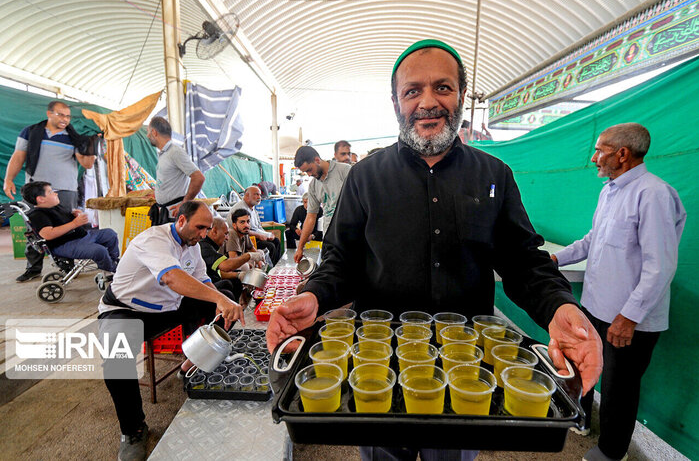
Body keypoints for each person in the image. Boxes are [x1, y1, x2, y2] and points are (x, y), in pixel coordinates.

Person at [267, 39, 604, 461]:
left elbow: (523, 261)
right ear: (396, 102)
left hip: (466, 372)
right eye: (413, 91)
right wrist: (313, 295)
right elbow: (341, 260)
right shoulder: (365, 178)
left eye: (442, 88)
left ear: (461, 95)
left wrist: (560, 309)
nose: (428, 102)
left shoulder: (493, 174)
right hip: (378, 368)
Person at [552, 123, 685, 461]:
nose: (594, 158)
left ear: (622, 154)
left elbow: (661, 265)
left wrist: (629, 317)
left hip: (629, 318)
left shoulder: (653, 194)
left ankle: (612, 452)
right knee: (584, 364)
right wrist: (554, 258)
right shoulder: (610, 190)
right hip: (597, 305)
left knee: (619, 389)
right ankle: (581, 419)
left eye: (600, 150)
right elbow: (593, 239)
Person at [98, 201, 243, 461]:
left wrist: (222, 300)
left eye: (207, 229)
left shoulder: (193, 246)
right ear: (181, 221)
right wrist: (219, 300)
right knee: (116, 360)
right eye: (199, 227)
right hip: (127, 310)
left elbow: (203, 280)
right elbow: (172, 277)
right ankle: (133, 429)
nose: (202, 234)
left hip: (168, 308)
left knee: (224, 293)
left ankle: (193, 363)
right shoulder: (153, 240)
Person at [4, 101, 96, 282]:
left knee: (67, 228)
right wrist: (8, 179)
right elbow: (18, 156)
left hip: (65, 190)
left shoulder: (73, 137)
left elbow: (86, 164)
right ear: (49, 113)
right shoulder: (30, 132)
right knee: (34, 230)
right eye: (61, 115)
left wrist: (91, 148)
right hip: (37, 192)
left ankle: (68, 266)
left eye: (68, 116)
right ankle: (33, 268)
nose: (65, 119)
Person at [21, 181, 119, 273]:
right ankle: (110, 270)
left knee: (110, 234)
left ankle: (113, 260)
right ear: (41, 199)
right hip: (65, 245)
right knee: (99, 251)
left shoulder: (56, 206)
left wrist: (75, 215)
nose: (56, 193)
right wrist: (74, 223)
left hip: (81, 236)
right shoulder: (38, 215)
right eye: (51, 192)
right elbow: (48, 234)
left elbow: (65, 221)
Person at [292, 145, 351, 263]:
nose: (309, 175)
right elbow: (310, 216)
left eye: (309, 170)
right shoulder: (313, 185)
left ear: (317, 160)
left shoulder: (345, 171)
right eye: (305, 172)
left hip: (350, 236)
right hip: (330, 239)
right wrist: (300, 247)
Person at [147, 117, 205, 224]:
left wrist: (185, 202)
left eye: (148, 133)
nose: (147, 136)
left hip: (173, 215)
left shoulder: (175, 152)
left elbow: (198, 177)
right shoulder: (164, 153)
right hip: (164, 213)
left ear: (154, 132)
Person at [198, 217, 249, 299]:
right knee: (227, 288)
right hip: (203, 286)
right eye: (225, 234)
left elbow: (220, 272)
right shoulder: (204, 246)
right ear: (214, 231)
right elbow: (226, 266)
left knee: (236, 280)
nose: (227, 238)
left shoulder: (211, 246)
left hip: (212, 280)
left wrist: (238, 275)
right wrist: (249, 256)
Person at [228, 186, 281, 264]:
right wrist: (259, 236)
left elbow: (258, 227)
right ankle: (268, 269)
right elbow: (242, 229)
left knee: (276, 241)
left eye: (259, 195)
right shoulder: (240, 209)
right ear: (246, 196)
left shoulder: (253, 209)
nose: (259, 197)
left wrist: (267, 235)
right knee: (270, 246)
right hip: (244, 238)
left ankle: (275, 267)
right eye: (256, 194)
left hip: (252, 237)